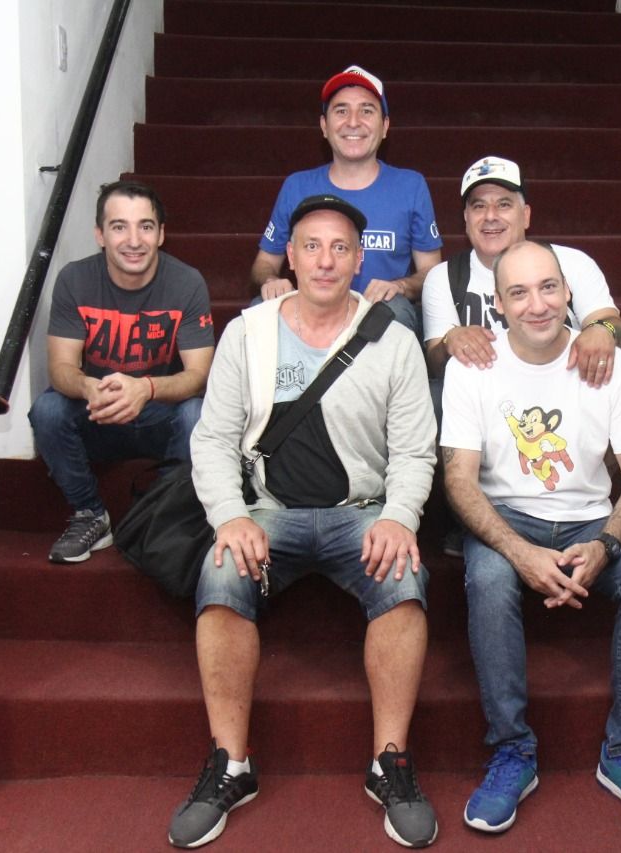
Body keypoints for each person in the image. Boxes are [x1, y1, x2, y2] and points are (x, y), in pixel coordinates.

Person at [170, 195, 438, 849]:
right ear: (289, 256)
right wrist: (230, 516)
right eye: (311, 246)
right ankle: (231, 764)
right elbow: (213, 439)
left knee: (404, 577)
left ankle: (390, 762)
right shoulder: (248, 333)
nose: (325, 260)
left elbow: (413, 451)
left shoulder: (393, 339)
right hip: (270, 511)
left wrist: (400, 518)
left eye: (340, 247)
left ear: (359, 258)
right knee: (221, 572)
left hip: (359, 513)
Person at [440, 241, 621, 836]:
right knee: (489, 578)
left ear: (568, 292)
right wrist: (519, 551)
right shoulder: (472, 366)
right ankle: (512, 750)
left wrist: (607, 545)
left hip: (589, 519)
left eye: (549, 287)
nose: (538, 304)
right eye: (519, 292)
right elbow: (458, 480)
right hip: (507, 516)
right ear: (498, 304)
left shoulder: (609, 363)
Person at [28, 181, 214, 563]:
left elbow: (198, 376)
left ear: (161, 234)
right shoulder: (74, 280)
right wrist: (87, 386)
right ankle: (91, 515)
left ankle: (162, 515)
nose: (134, 240)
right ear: (100, 235)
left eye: (145, 226)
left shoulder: (187, 282)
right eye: (119, 227)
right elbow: (60, 368)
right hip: (99, 412)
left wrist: (145, 388)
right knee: (47, 410)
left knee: (197, 414)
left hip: (158, 415)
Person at [250, 64, 442, 333]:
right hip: (312, 310)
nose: (353, 122)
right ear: (324, 126)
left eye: (366, 111)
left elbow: (431, 272)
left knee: (395, 311)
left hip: (379, 315)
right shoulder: (297, 186)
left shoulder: (411, 186)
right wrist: (271, 280)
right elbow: (264, 264)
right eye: (341, 111)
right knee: (261, 307)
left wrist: (401, 286)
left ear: (385, 126)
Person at [422, 156, 621, 389]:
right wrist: (449, 341)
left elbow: (616, 325)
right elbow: (436, 364)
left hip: (564, 390)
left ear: (526, 215)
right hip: (483, 396)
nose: (490, 216)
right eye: (479, 206)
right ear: (466, 219)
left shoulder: (572, 263)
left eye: (504, 204)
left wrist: (602, 329)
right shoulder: (444, 277)